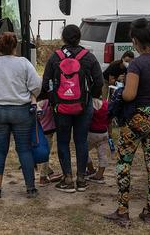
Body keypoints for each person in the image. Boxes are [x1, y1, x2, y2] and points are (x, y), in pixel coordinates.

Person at [105, 18, 150, 227]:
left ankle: (123, 211)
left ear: (134, 41)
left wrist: (120, 93)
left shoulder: (136, 64)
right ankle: (149, 211)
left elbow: (130, 95)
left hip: (138, 118)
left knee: (124, 163)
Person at [41, 24, 104, 193]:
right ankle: (82, 179)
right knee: (81, 141)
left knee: (63, 141)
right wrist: (92, 96)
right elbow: (99, 81)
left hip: (61, 107)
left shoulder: (56, 57)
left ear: (63, 38)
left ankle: (67, 179)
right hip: (84, 106)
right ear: (79, 37)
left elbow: (46, 83)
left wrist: (54, 98)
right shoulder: (88, 57)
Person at [0, 32, 42, 199]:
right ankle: (30, 188)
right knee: (24, 149)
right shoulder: (24, 63)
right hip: (21, 111)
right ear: (15, 46)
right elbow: (36, 85)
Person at [37, 99, 62, 186]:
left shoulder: (38, 103)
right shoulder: (48, 102)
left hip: (40, 132)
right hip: (46, 132)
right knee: (45, 155)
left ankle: (50, 173)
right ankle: (43, 178)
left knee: (43, 154)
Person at [85, 97, 110, 184]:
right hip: (104, 133)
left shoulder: (89, 103)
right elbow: (109, 119)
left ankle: (90, 169)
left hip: (91, 133)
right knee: (102, 154)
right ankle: (100, 175)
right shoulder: (106, 104)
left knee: (83, 151)